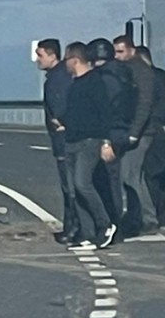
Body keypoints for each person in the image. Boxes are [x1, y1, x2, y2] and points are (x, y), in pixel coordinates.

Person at [61, 42, 117, 249]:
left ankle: (105, 225)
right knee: (74, 189)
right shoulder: (75, 84)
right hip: (72, 141)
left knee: (82, 183)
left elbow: (105, 114)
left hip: (89, 140)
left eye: (67, 59)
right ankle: (87, 233)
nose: (64, 64)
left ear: (74, 60)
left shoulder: (95, 82)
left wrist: (106, 142)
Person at [114, 34, 159, 236]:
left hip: (141, 132)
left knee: (130, 176)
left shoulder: (140, 71)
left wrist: (134, 133)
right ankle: (136, 216)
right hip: (135, 130)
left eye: (120, 51)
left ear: (131, 50)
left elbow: (144, 104)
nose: (117, 56)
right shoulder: (129, 69)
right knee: (131, 176)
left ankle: (147, 218)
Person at [36, 38, 79, 244]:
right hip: (63, 138)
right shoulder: (59, 76)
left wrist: (60, 121)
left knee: (70, 185)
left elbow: (60, 106)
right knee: (70, 185)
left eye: (40, 55)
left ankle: (73, 227)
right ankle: (73, 226)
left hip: (64, 139)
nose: (37, 60)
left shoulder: (58, 79)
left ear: (53, 55)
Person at [137, 45, 165, 228]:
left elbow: (157, 105)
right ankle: (161, 215)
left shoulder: (148, 78)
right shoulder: (162, 75)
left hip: (156, 131)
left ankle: (153, 215)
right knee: (163, 176)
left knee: (151, 175)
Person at [87, 37, 129, 228]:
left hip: (108, 133)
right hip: (123, 129)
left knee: (105, 180)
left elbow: (102, 110)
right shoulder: (124, 74)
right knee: (116, 179)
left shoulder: (100, 79)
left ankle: (111, 221)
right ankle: (117, 220)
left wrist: (104, 140)